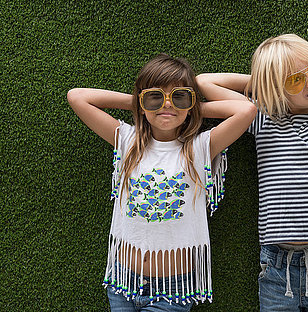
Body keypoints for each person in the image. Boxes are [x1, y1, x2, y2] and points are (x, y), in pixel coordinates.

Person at [196, 34, 308, 312]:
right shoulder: (261, 118)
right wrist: (268, 84)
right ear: (275, 90)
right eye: (295, 80)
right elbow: (204, 82)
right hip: (276, 264)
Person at [67, 54, 257, 311]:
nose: (167, 105)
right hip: (124, 282)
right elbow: (77, 96)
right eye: (155, 96)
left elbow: (246, 110)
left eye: (179, 96)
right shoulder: (127, 140)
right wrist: (141, 105)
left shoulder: (200, 147)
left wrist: (190, 108)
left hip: (174, 289)